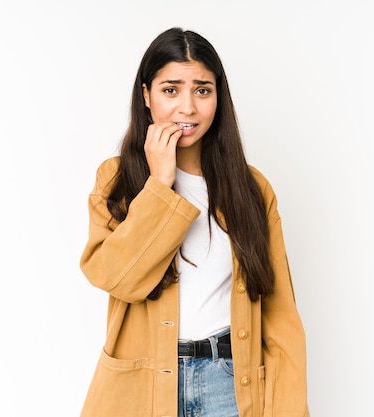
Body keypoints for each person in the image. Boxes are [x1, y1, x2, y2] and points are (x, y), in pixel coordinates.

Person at [79, 27, 309, 417]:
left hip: (230, 384)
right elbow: (115, 276)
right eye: (171, 90)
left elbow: (281, 318)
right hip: (143, 388)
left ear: (218, 98)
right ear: (146, 95)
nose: (188, 107)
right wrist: (160, 186)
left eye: (202, 90)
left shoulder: (252, 188)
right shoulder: (116, 180)